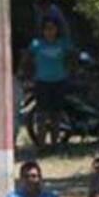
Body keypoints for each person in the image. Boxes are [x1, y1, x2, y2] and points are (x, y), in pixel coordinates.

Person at [21, 16, 73, 147]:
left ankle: (55, 144)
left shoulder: (63, 43)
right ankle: (41, 144)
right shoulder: (36, 44)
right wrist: (27, 74)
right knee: (42, 115)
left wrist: (69, 70)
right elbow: (27, 59)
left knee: (56, 115)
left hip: (59, 81)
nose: (50, 31)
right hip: (42, 82)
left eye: (52, 28)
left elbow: (72, 57)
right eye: (47, 29)